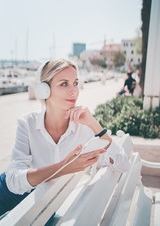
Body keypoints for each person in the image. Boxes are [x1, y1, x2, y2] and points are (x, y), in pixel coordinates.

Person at [0, 59, 129, 217]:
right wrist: (63, 167)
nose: (74, 91)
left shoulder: (85, 127)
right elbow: (12, 182)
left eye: (75, 83)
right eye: (64, 84)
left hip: (44, 202)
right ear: (44, 90)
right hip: (12, 192)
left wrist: (96, 126)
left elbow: (123, 165)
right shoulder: (27, 123)